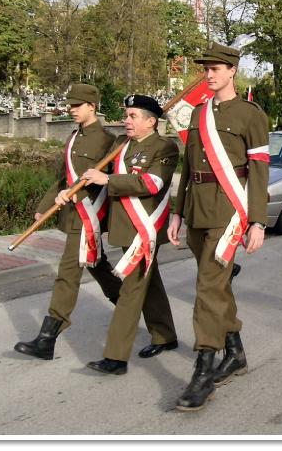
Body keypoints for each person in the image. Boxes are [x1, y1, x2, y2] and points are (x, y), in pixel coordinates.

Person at [167, 42, 269, 412]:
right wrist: (177, 213)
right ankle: (236, 352)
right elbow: (188, 166)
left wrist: (257, 220)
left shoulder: (250, 114)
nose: (208, 74)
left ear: (232, 72)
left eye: (215, 68)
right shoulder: (198, 113)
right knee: (217, 286)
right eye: (206, 68)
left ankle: (203, 370)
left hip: (228, 212)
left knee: (207, 287)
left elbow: (258, 171)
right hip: (196, 209)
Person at [14, 84, 123, 361]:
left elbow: (109, 181)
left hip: (90, 215)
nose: (72, 110)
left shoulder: (109, 141)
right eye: (70, 105)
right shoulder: (74, 137)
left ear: (92, 106)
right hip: (73, 213)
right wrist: (45, 206)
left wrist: (79, 192)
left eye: (77, 105)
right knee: (97, 265)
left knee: (67, 273)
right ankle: (130, 307)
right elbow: (64, 179)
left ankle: (47, 338)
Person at [79, 94, 179, 376]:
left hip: (143, 230)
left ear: (151, 121)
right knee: (151, 281)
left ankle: (116, 357)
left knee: (131, 292)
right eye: (126, 115)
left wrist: (108, 179)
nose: (126, 121)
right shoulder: (122, 146)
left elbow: (152, 182)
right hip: (123, 226)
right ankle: (165, 335)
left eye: (133, 116)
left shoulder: (165, 147)